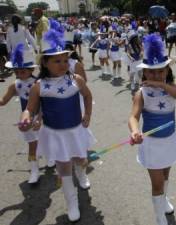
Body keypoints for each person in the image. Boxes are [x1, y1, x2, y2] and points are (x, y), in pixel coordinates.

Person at [19, 27, 95, 222]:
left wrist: (87, 114)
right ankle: (72, 202)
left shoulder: (76, 80)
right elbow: (31, 108)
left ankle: (82, 173)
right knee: (63, 168)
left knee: (80, 158)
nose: (63, 64)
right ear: (44, 62)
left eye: (65, 60)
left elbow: (87, 96)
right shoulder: (39, 86)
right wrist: (27, 117)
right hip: (55, 133)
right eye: (56, 60)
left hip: (76, 129)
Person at [128, 34, 176, 225]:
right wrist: (134, 131)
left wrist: (162, 85)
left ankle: (164, 199)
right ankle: (159, 216)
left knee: (166, 175)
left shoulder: (170, 87)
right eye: (151, 72)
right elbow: (133, 117)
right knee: (157, 182)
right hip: (152, 144)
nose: (155, 75)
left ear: (167, 70)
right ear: (144, 72)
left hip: (169, 140)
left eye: (160, 71)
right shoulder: (141, 93)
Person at [0, 44, 41, 184]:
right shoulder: (15, 85)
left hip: (42, 117)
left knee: (47, 140)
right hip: (27, 119)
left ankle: (52, 158)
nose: (18, 75)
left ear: (31, 69)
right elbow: (3, 101)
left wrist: (41, 118)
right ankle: (34, 169)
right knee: (32, 144)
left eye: (22, 71)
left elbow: (47, 104)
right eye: (16, 72)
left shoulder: (39, 83)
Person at [127, 28, 143, 92]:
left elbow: (142, 49)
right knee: (132, 74)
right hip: (133, 61)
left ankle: (140, 86)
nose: (138, 38)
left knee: (140, 74)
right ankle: (132, 84)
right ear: (133, 39)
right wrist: (130, 57)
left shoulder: (139, 44)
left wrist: (142, 52)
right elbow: (127, 53)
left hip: (139, 61)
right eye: (136, 38)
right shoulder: (129, 45)